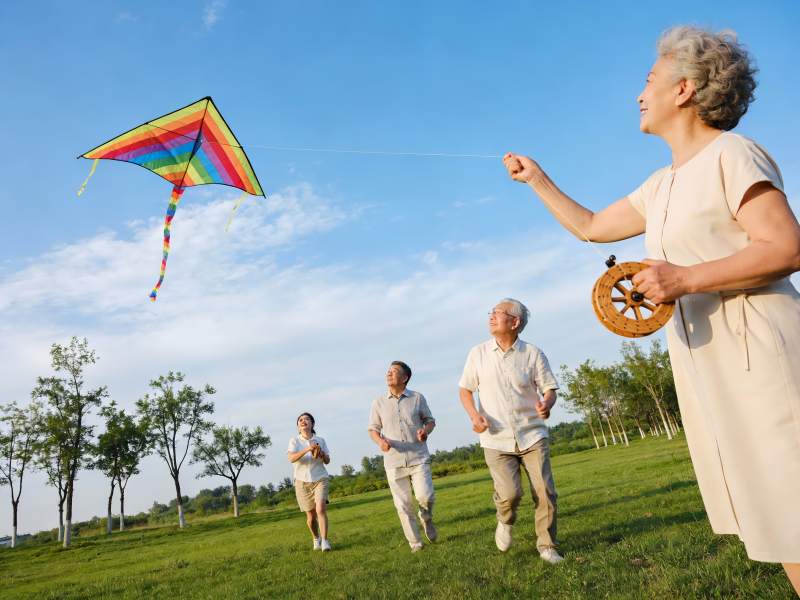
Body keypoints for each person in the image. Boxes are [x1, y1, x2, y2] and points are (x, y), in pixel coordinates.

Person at [503, 26, 800, 593]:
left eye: (648, 80)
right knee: (779, 517)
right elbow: (592, 227)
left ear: (684, 89)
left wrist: (684, 277)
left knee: (795, 503)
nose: (639, 93)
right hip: (710, 365)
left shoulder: (733, 155)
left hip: (761, 351)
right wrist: (536, 178)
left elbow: (787, 247)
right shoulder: (659, 185)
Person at [459, 298, 563, 564]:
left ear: (515, 322)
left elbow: (549, 388)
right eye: (491, 312)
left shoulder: (533, 353)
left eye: (498, 313)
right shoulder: (478, 353)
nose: (491, 316)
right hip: (495, 438)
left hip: (532, 433)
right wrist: (475, 415)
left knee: (544, 491)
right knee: (509, 494)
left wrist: (546, 403)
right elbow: (466, 390)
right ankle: (505, 520)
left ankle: (547, 546)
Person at [368, 361, 437, 552]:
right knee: (403, 505)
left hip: (418, 457)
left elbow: (430, 421)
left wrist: (425, 431)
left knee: (426, 496)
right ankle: (416, 544)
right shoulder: (378, 403)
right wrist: (380, 442)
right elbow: (373, 429)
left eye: (394, 371)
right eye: (388, 371)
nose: (389, 373)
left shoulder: (417, 398)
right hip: (393, 461)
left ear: (405, 378)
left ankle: (426, 518)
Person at [287, 412, 332, 551]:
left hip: (320, 478)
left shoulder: (321, 440)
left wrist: (322, 454)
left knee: (320, 509)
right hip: (302, 481)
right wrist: (308, 449)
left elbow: (328, 461)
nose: (303, 421)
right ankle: (316, 538)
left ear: (312, 424)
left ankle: (325, 541)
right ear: (298, 426)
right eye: (300, 420)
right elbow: (291, 458)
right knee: (311, 516)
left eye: (307, 419)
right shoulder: (295, 441)